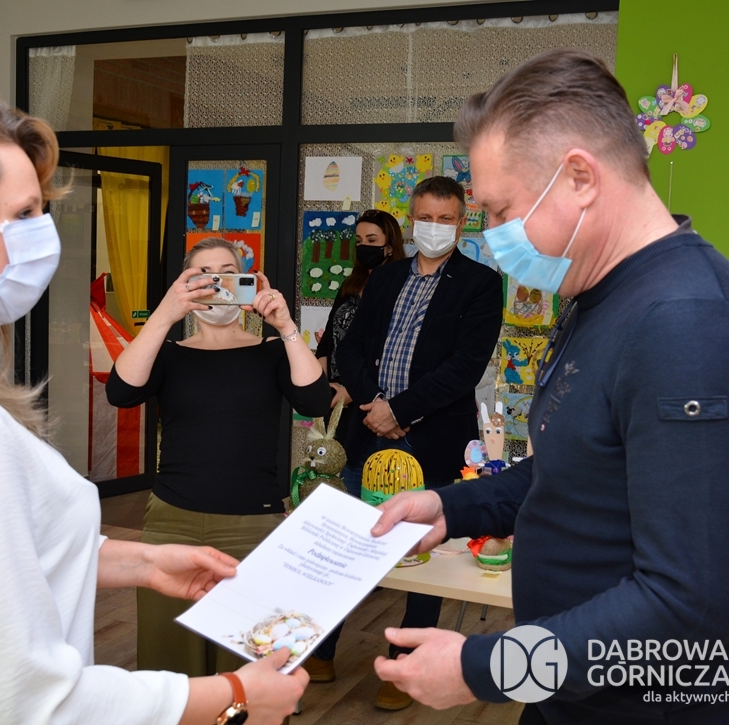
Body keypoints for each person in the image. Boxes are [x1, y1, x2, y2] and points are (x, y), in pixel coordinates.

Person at [0, 86, 306, 725]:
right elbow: (33, 702)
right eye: (22, 215)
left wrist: (141, 559)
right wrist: (233, 695)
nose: (42, 237)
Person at [368, 50, 729, 725]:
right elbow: (576, 469)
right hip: (571, 695)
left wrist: (485, 668)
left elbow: (687, 609)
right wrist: (450, 507)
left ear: (580, 177)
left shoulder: (686, 327)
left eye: (501, 210)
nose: (492, 237)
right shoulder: (602, 297)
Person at [106, 236, 330, 678]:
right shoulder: (168, 354)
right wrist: (165, 314)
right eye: (203, 275)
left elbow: (315, 401)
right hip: (171, 523)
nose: (217, 283)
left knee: (250, 660)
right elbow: (121, 392)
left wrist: (285, 326)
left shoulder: (271, 351)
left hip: (254, 524)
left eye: (229, 273)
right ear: (185, 286)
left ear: (248, 281)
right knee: (170, 663)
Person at [324, 175, 503, 710]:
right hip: (368, 432)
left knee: (426, 557)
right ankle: (321, 649)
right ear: (412, 216)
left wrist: (399, 411)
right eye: (426, 217)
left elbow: (465, 367)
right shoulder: (385, 276)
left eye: (446, 219)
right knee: (352, 546)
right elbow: (350, 348)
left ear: (462, 223)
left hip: (434, 439)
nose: (434, 227)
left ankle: (404, 668)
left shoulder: (480, 283)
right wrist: (374, 404)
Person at [314, 208, 405, 439]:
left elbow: (389, 350)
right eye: (359, 241)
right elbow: (326, 343)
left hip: (373, 402)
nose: (364, 246)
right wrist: (323, 389)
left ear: (390, 247)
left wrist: (353, 391)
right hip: (335, 399)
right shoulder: (350, 286)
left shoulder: (400, 289)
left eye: (372, 241)